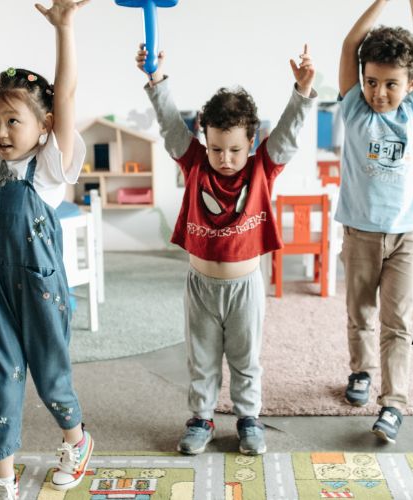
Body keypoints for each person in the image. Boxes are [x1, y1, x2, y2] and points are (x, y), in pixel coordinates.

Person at [137, 40, 317, 455]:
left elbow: (287, 136)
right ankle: (201, 417)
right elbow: (169, 126)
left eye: (235, 148)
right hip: (201, 285)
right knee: (200, 360)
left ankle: (248, 418)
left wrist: (303, 92)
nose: (225, 157)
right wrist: (156, 79)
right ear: (204, 137)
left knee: (245, 359)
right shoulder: (195, 162)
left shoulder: (262, 168)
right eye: (216, 147)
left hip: (245, 287)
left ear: (252, 142)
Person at [0, 0, 93, 497]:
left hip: (39, 286)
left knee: (50, 375)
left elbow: (69, 92)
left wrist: (64, 27)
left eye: (12, 121)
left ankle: (76, 440)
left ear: (43, 125)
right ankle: (4, 479)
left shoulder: (51, 166)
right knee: (1, 377)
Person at [336, 0, 413, 443]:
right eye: (371, 82)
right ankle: (362, 372)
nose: (379, 93)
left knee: (397, 322)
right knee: (361, 312)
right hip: (360, 233)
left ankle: (393, 403)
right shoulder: (354, 107)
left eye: (390, 84)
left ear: (410, 82)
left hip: (406, 237)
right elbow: (350, 43)